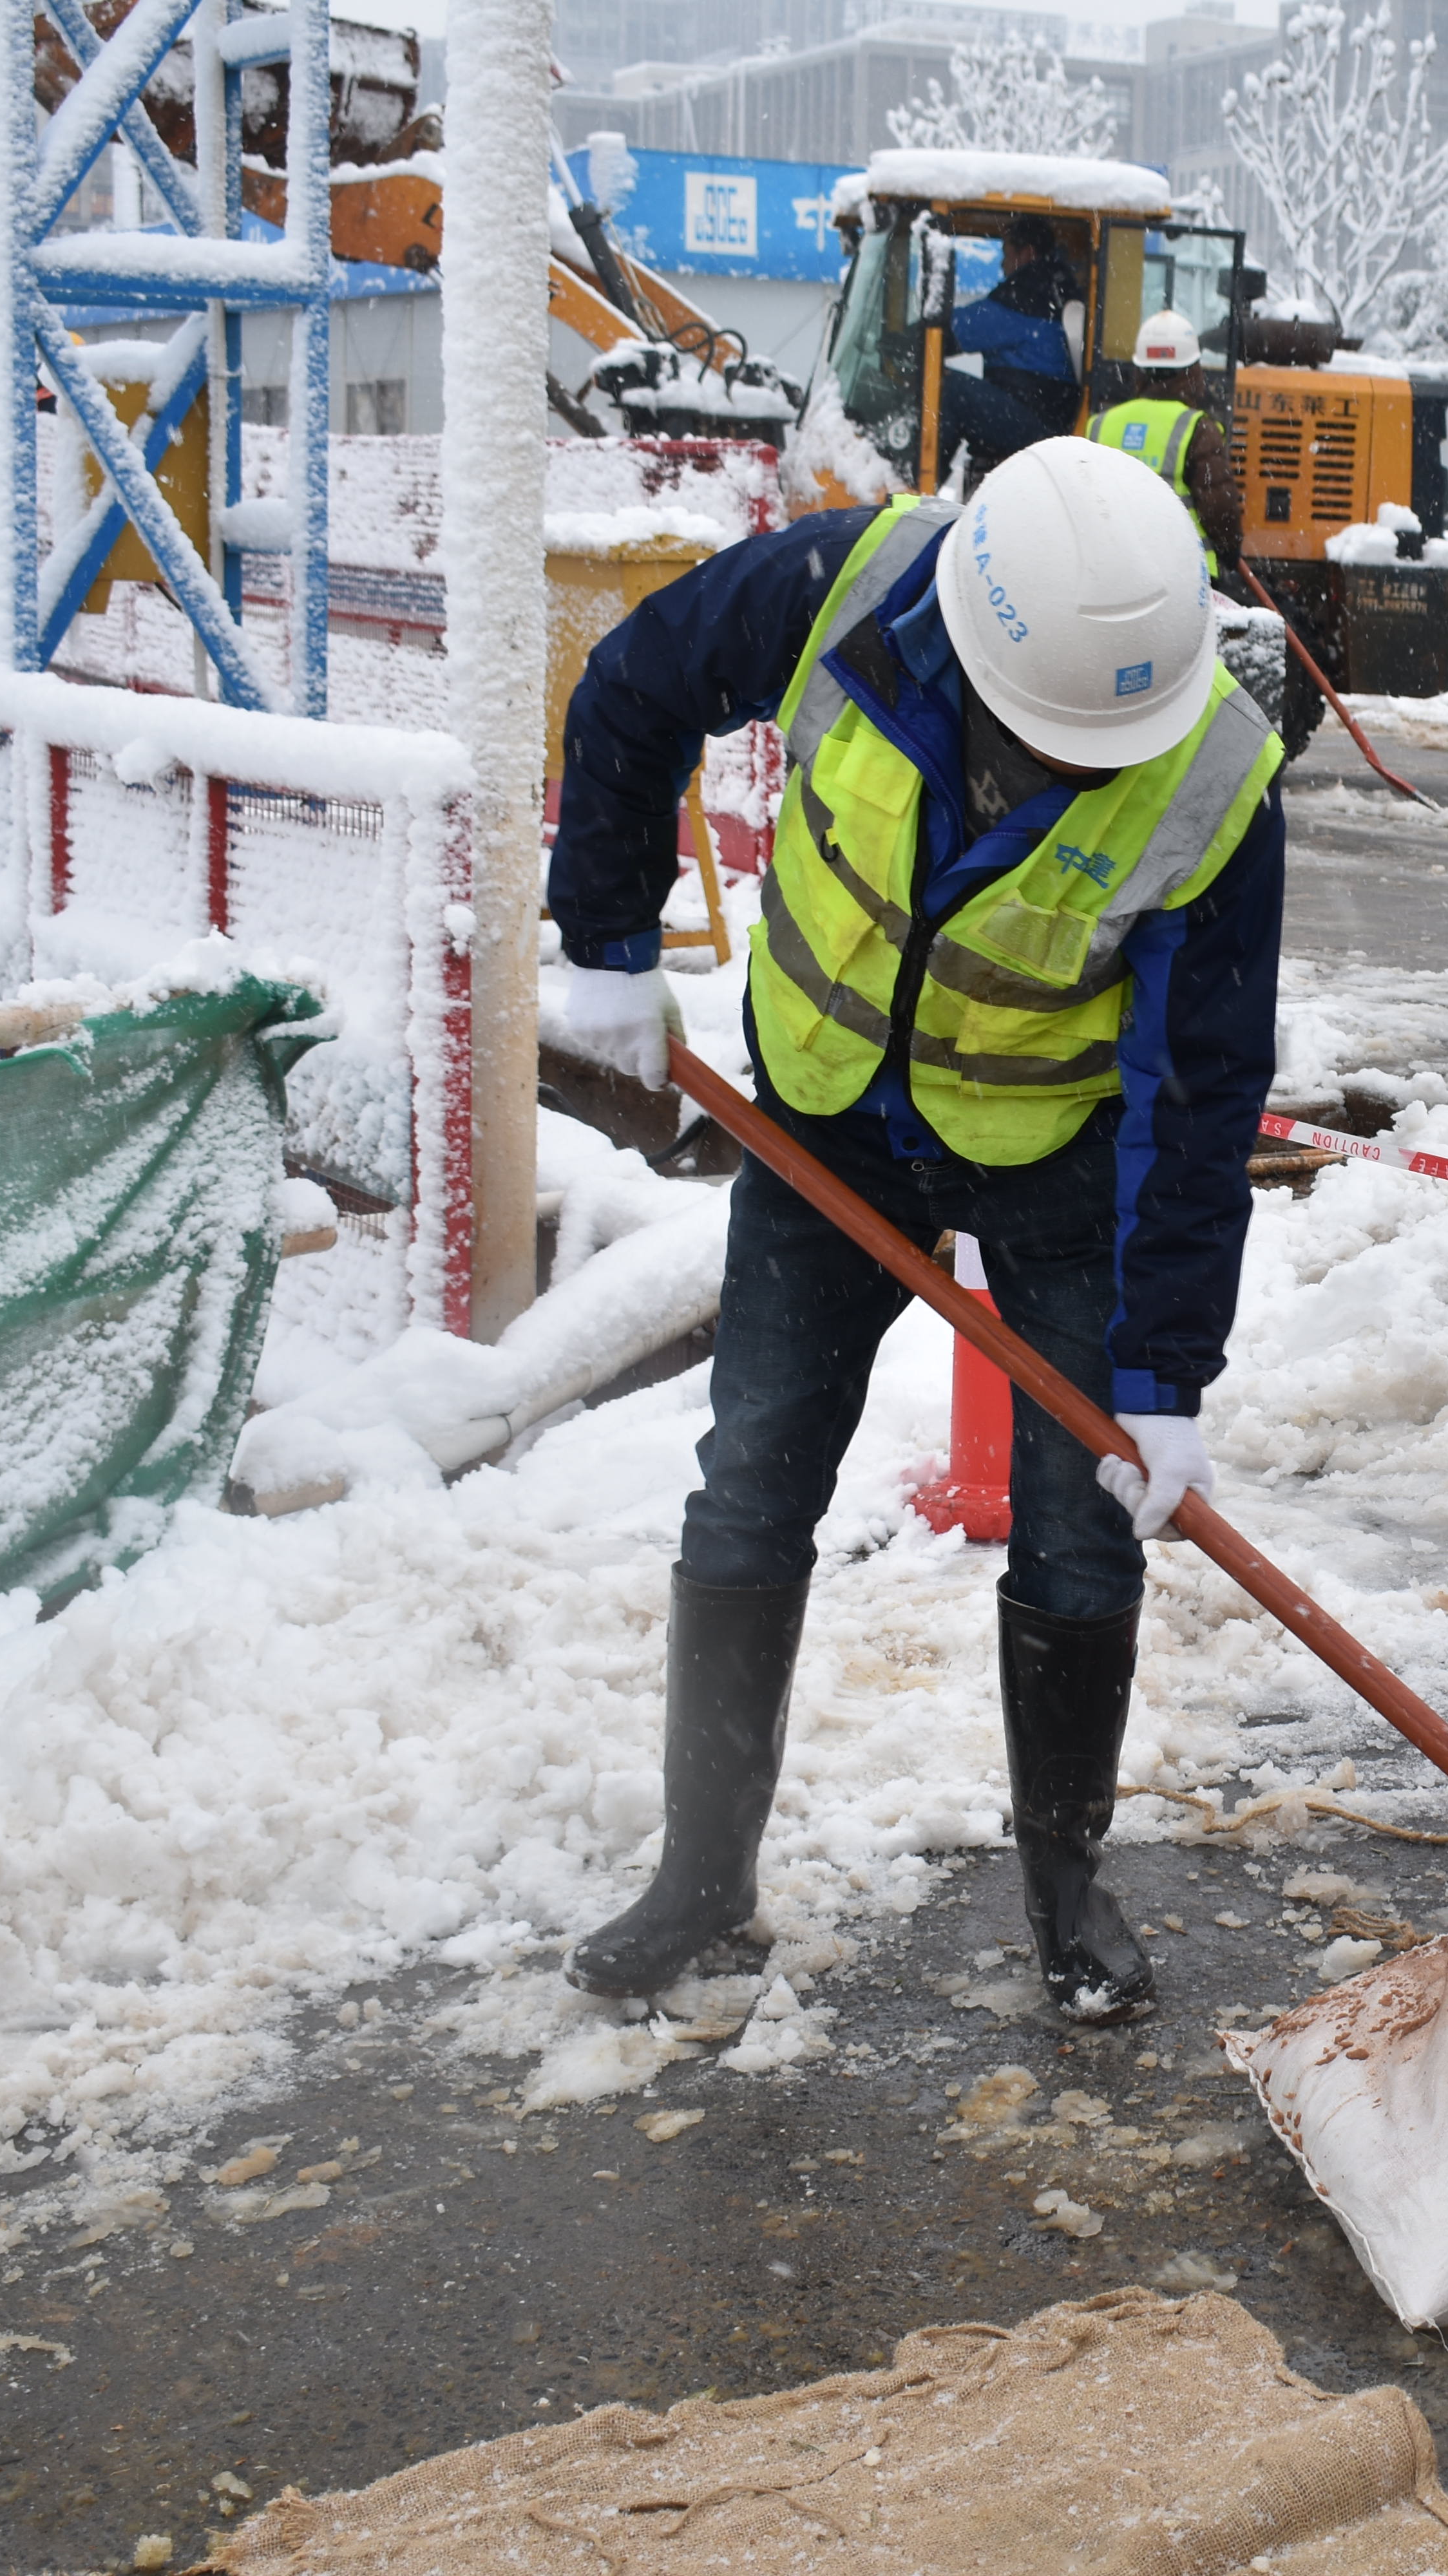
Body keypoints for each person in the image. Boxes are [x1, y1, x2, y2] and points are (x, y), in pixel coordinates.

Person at [542, 439, 1285, 2027]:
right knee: (752, 1477)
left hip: (1053, 1154)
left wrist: (1161, 1369)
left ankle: (1069, 1891)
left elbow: (1199, 1089)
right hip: (821, 1124)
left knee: (1083, 1521)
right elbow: (632, 687)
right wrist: (607, 948)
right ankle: (702, 1878)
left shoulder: (1212, 771)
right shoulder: (849, 587)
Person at [1087, 307, 1238, 576]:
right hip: (1184, 576)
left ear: (1140, 373)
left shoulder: (1099, 425)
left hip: (1110, 572)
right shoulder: (1199, 429)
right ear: (1192, 373)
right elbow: (1218, 509)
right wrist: (1230, 550)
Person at [937, 213, 1086, 475]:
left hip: (1036, 425)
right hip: (1050, 420)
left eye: (1006, 255)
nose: (1002, 266)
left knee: (948, 389)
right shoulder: (1055, 289)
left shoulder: (1027, 296)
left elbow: (954, 332)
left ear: (1026, 253)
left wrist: (912, 334)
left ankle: (917, 485)